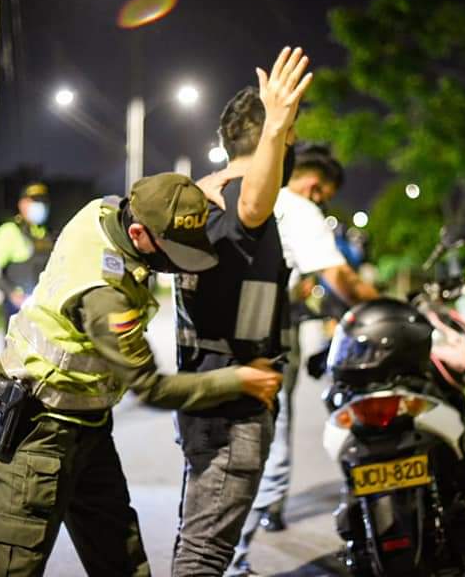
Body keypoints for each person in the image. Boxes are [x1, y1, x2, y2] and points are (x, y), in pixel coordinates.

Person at [0, 173, 283, 576]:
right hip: (38, 433)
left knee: (123, 563)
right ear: (138, 234)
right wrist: (239, 379)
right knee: (12, 566)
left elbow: (152, 193)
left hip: (89, 428)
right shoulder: (106, 295)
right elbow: (151, 387)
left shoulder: (105, 209)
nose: (174, 264)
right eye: (171, 251)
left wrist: (192, 193)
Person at [170, 46, 312, 576]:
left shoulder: (203, 198)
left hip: (207, 395)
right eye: (288, 139)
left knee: (198, 540)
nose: (291, 146)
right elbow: (256, 206)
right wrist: (278, 123)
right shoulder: (242, 204)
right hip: (232, 409)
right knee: (206, 555)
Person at [228, 144, 379, 576]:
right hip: (267, 342)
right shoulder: (298, 207)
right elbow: (342, 281)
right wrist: (390, 308)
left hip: (214, 347)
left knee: (221, 460)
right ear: (315, 187)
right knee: (269, 453)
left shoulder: (241, 194)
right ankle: (234, 563)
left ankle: (211, 560)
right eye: (325, 194)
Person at [0, 181, 54, 327]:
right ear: (22, 204)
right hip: (19, 309)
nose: (41, 207)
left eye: (44, 202)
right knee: (17, 349)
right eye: (35, 202)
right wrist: (12, 293)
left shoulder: (48, 235)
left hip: (46, 312)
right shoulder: (10, 231)